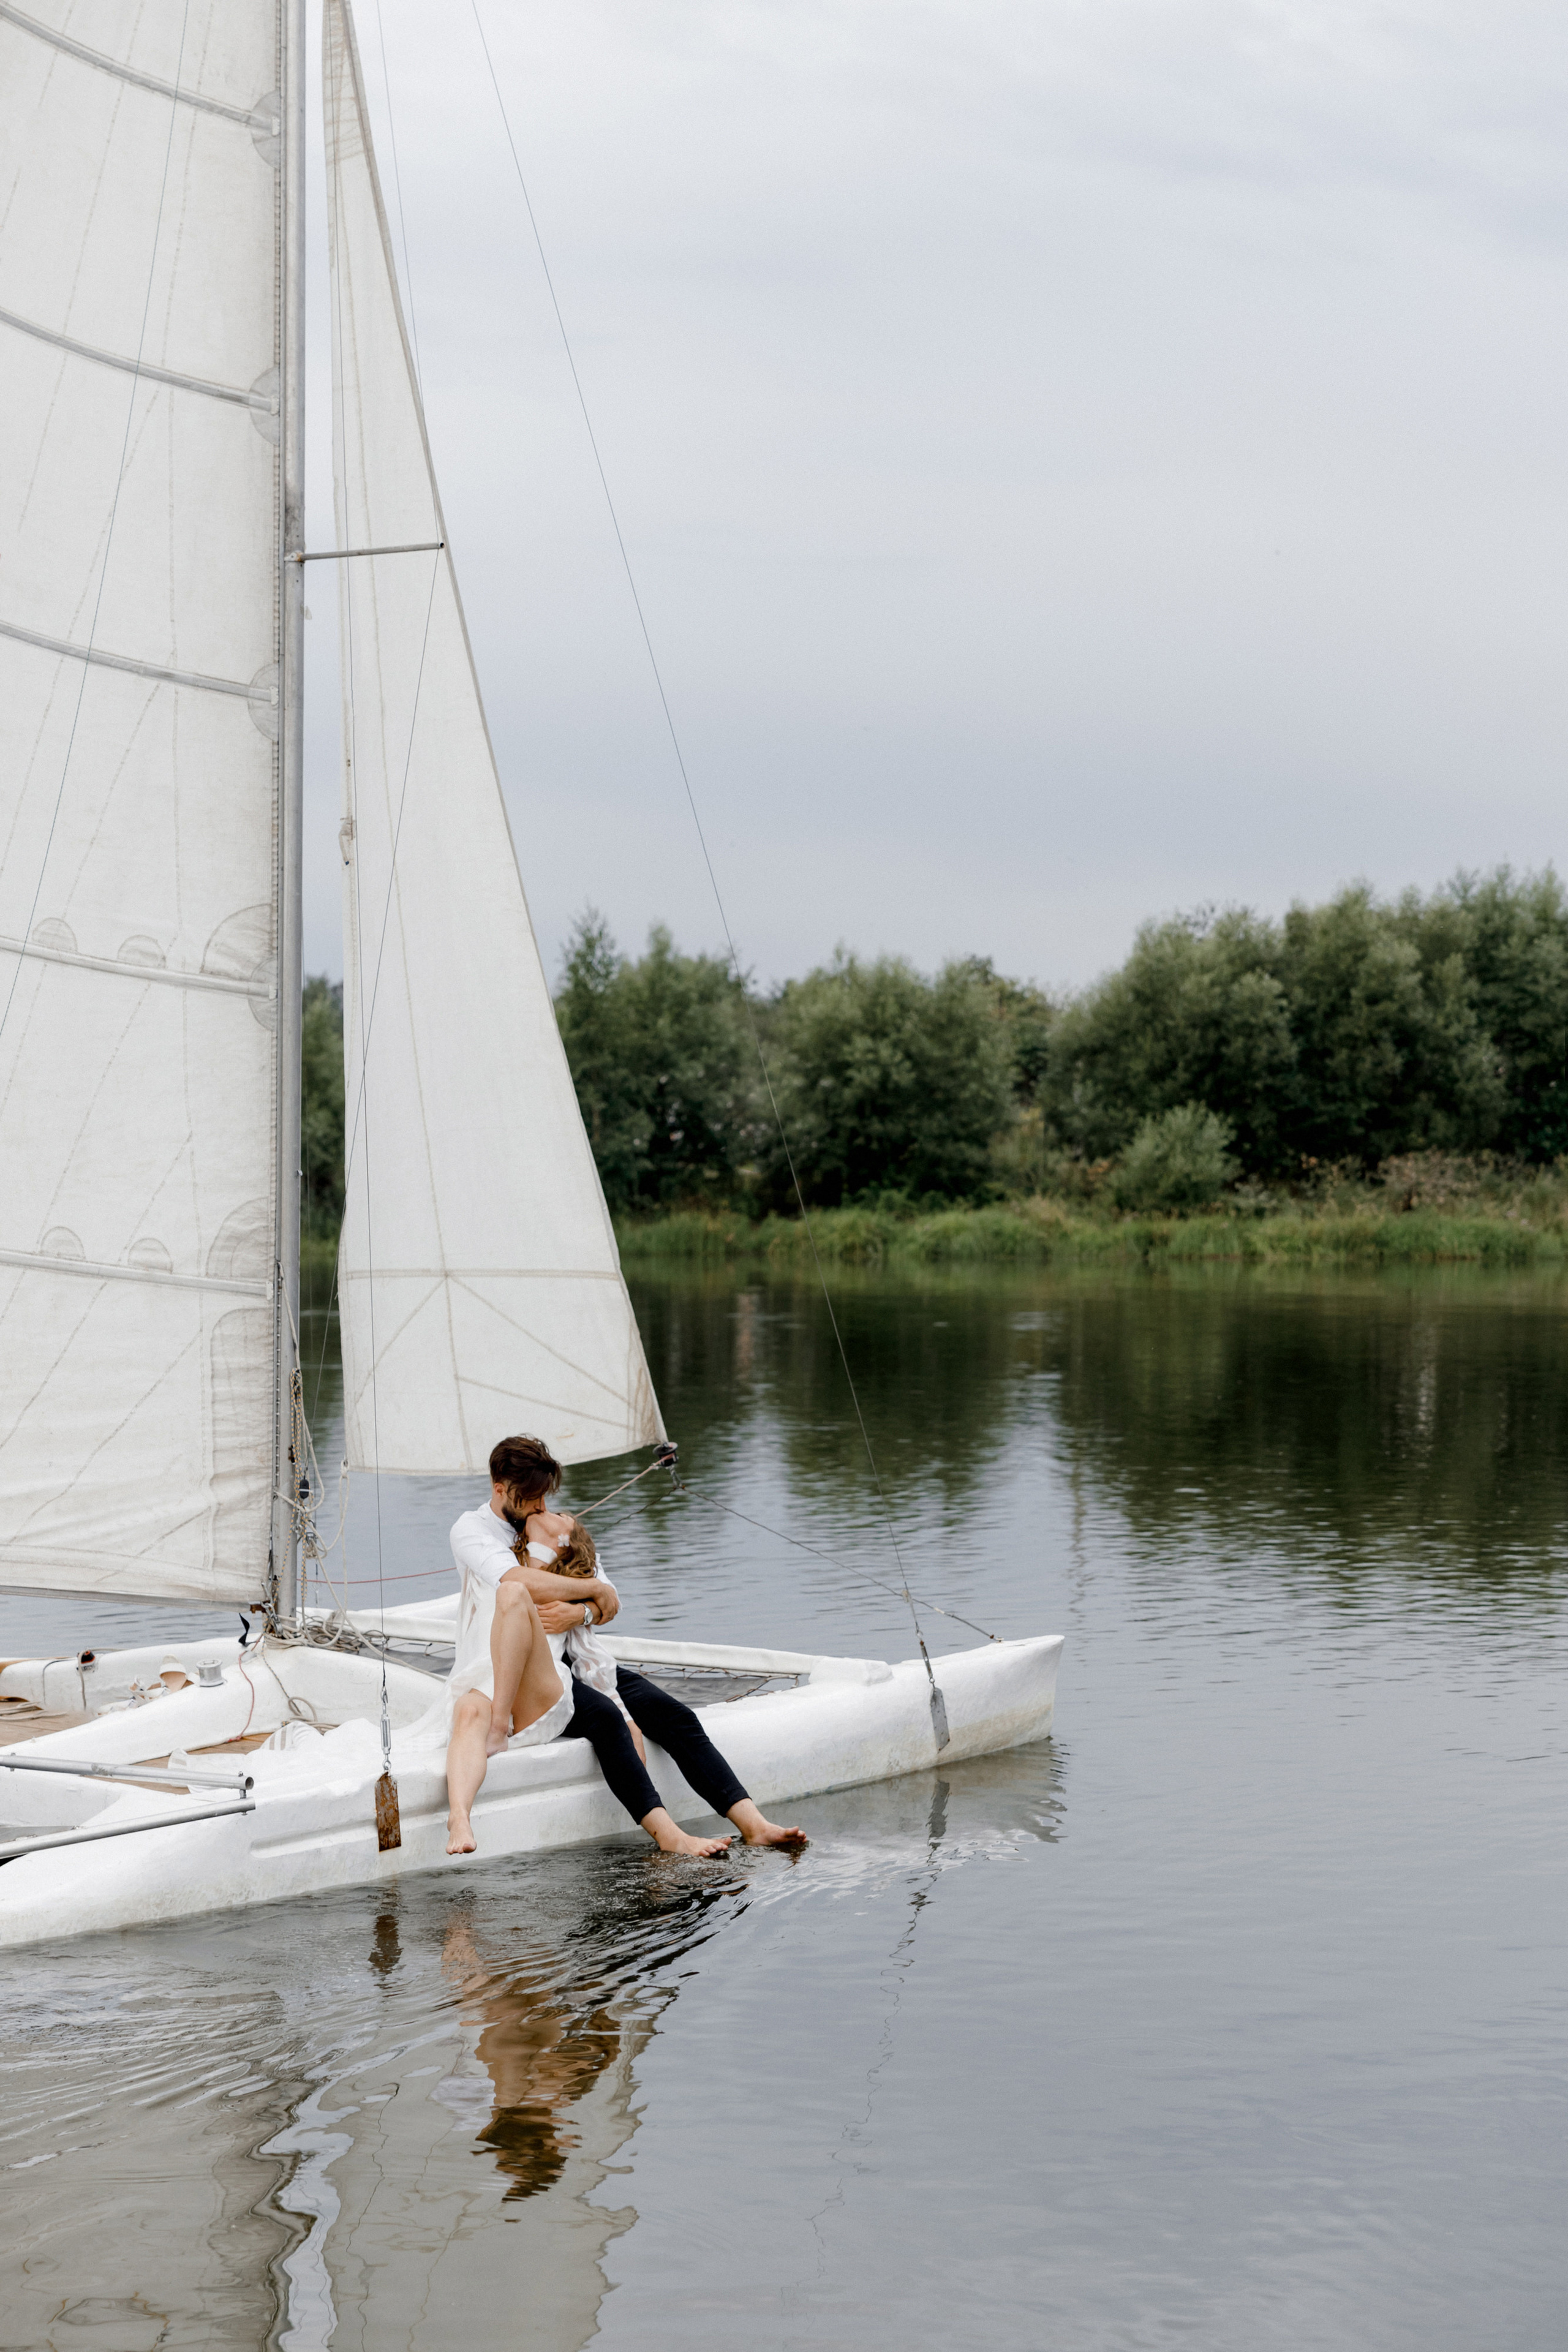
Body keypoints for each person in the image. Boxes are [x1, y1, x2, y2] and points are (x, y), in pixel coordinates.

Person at [458, 1432, 807, 1859]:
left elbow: (611, 1600)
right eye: (531, 1498)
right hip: (524, 1664)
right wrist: (590, 1591)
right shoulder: (471, 1530)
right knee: (608, 1720)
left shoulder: (554, 1522)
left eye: (545, 1496)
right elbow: (518, 1583)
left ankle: (755, 1825)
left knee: (674, 1716)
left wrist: (581, 1612)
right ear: (500, 1489)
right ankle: (668, 1836)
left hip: (576, 1651)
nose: (541, 1506)